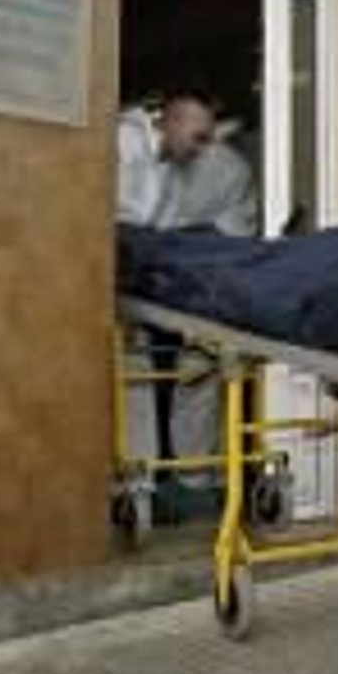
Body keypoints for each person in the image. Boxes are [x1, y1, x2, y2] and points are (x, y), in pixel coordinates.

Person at [116, 89, 258, 520]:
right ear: (169, 122)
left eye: (207, 139)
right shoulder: (122, 143)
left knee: (200, 363)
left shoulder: (205, 166)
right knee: (133, 369)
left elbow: (217, 228)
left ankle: (194, 478)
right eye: (196, 138)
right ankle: (138, 479)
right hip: (127, 267)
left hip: (170, 271)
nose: (201, 150)